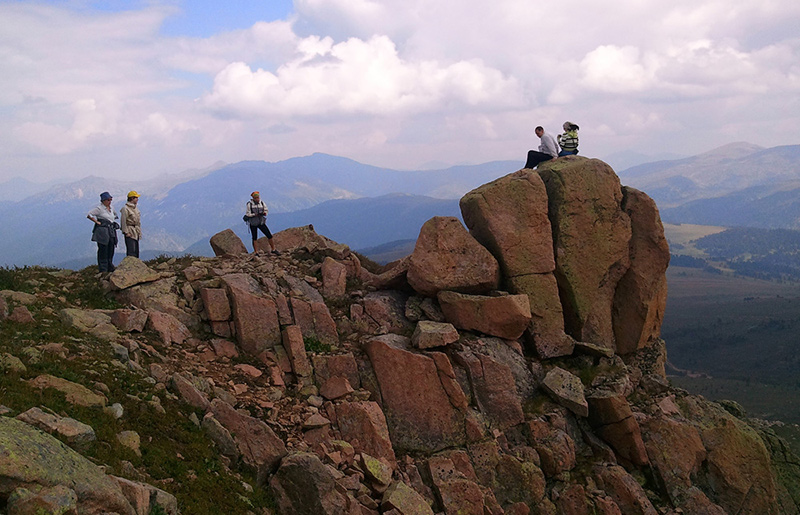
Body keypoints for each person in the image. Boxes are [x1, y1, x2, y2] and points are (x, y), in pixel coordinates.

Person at [87, 191, 119, 273]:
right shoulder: (99, 209)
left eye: (110, 199)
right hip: (103, 231)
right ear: (103, 200)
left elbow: (115, 215)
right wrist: (97, 222)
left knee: (111, 247)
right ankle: (103, 268)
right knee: (103, 248)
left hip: (110, 230)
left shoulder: (111, 208)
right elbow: (89, 214)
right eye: (108, 200)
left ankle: (109, 265)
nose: (110, 201)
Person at [120, 190, 141, 258]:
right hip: (130, 230)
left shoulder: (135, 208)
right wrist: (126, 232)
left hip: (136, 231)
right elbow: (123, 221)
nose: (137, 199)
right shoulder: (125, 209)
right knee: (131, 250)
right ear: (132, 198)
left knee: (136, 250)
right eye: (136, 198)